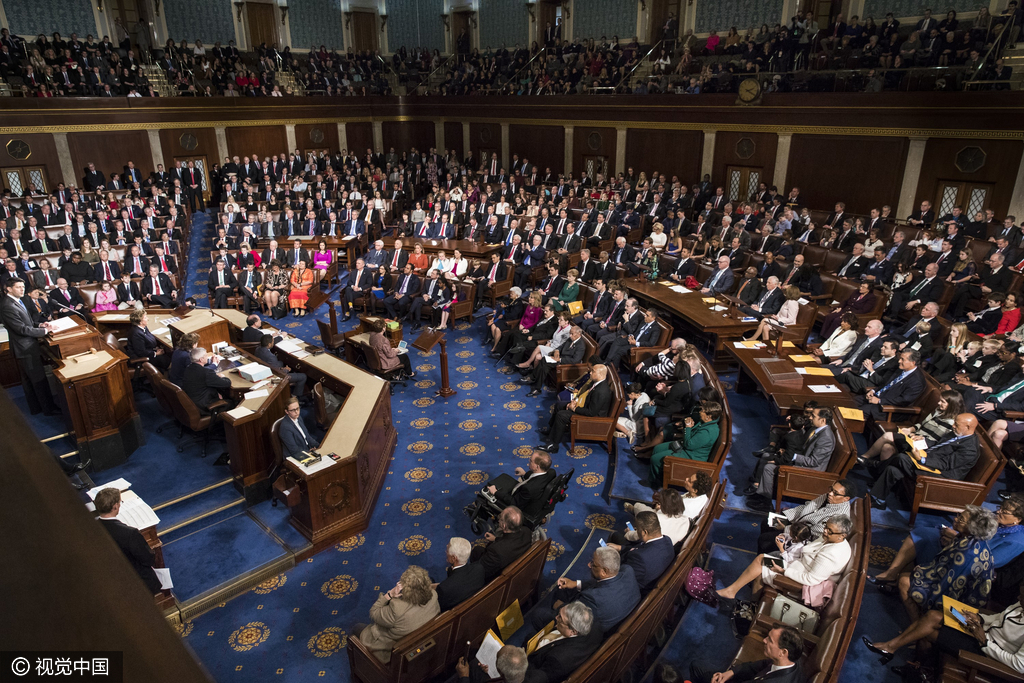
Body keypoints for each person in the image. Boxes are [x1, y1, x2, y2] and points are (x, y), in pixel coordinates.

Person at [871, 495, 1024, 600]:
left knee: (925, 543)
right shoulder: (996, 518)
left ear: (1018, 519)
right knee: (922, 534)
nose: (998, 511)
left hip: (968, 565)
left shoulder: (1017, 541)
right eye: (1000, 507)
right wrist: (954, 534)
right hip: (960, 544)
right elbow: (970, 524)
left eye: (1005, 512)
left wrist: (955, 539)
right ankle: (892, 574)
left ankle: (902, 583)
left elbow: (988, 561)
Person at [862, 581, 1024, 674]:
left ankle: (900, 655)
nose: (1018, 598)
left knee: (928, 629)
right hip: (979, 634)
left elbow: (1019, 665)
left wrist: (985, 642)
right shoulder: (1020, 604)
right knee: (934, 616)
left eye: (1022, 596)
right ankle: (898, 653)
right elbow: (998, 618)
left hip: (987, 653)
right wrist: (979, 618)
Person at [716, 515, 852, 600]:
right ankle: (737, 594)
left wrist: (783, 571)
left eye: (829, 531)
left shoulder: (832, 554)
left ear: (842, 536)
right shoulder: (830, 539)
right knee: (761, 559)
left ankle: (736, 594)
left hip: (799, 581)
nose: (824, 531)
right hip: (796, 566)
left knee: (761, 563)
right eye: (825, 527)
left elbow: (810, 580)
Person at [869, 413, 980, 510]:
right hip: (931, 461)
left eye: (956, 424)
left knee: (902, 458)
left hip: (941, 476)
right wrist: (922, 440)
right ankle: (880, 501)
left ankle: (877, 465)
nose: (953, 425)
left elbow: (945, 464)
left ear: (968, 427)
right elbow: (938, 445)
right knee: (893, 466)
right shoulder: (956, 433)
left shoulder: (970, 449)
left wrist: (921, 459)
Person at [532, 545, 641, 632]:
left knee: (538, 615)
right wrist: (576, 584)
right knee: (566, 589)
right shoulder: (628, 571)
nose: (589, 565)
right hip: (624, 615)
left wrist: (559, 607)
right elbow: (603, 583)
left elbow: (576, 617)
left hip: (596, 631)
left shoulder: (592, 599)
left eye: (593, 564)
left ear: (604, 571)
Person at [745, 406, 836, 510]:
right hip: (803, 460)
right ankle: (759, 492)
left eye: (813, 416)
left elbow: (814, 462)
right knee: (768, 458)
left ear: (823, 420)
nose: (810, 417)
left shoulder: (826, 438)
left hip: (810, 471)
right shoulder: (818, 429)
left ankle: (768, 502)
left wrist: (793, 456)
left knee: (769, 468)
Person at [354, 565, 440, 663]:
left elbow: (374, 612)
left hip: (392, 649)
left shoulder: (397, 608)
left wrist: (390, 594)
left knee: (356, 628)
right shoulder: (434, 595)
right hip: (422, 641)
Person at [858, 390, 962, 465]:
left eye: (943, 402)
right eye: (940, 400)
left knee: (888, 436)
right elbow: (922, 425)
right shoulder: (938, 410)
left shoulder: (953, 423)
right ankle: (879, 476)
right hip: (914, 437)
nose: (939, 403)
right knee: (887, 448)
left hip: (923, 446)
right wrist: (910, 429)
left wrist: (920, 437)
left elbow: (938, 442)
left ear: (951, 405)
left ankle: (864, 458)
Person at [1, 278, 57, 414]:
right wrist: (44, 331)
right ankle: (48, 409)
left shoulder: (17, 301)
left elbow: (28, 322)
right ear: (8, 289)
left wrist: (40, 325)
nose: (22, 289)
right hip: (25, 348)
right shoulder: (8, 305)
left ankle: (36, 408)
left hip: (26, 347)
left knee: (30, 381)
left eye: (23, 286)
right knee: (38, 380)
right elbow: (21, 329)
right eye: (18, 287)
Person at [756, 480, 855, 553]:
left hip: (805, 537)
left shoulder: (839, 516)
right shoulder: (828, 497)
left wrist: (786, 528)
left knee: (765, 540)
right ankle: (766, 554)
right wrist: (786, 516)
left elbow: (814, 532)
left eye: (835, 493)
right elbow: (807, 507)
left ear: (846, 498)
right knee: (767, 522)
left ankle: (765, 561)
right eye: (831, 489)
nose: (830, 493)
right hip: (799, 522)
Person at [94, 487, 162, 594]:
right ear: (115, 506)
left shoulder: (92, 528)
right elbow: (147, 559)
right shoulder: (130, 533)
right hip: (137, 583)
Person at [537, 363, 612, 454]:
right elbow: (585, 396)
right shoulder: (597, 383)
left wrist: (574, 409)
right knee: (559, 405)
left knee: (561, 415)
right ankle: (552, 430)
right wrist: (575, 401)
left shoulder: (601, 392)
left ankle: (553, 445)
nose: (590, 373)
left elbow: (591, 413)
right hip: (585, 407)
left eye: (593, 371)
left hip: (593, 419)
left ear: (600, 374)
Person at [690, 626, 805, 683]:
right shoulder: (791, 661)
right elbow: (758, 665)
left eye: (770, 640)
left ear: (783, 652)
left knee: (696, 667)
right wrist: (731, 672)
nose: (764, 640)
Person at [646, 401, 722, 485]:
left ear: (709, 416)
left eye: (702, 411)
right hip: (687, 448)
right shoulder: (705, 422)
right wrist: (689, 426)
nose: (700, 412)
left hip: (691, 456)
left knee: (655, 459)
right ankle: (660, 474)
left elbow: (689, 445)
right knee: (657, 448)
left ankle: (656, 483)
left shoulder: (708, 432)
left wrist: (688, 428)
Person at [854, 349, 926, 422]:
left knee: (858, 412)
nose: (899, 361)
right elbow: (885, 383)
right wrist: (873, 390)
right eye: (900, 358)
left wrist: (880, 401)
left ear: (912, 363)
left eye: (902, 359)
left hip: (887, 408)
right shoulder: (900, 369)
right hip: (875, 397)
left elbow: (904, 400)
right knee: (851, 401)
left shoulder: (917, 381)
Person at [486, 451, 557, 520]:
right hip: (536, 502)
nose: (528, 461)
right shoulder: (552, 472)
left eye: (531, 461)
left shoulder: (529, 489)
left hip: (521, 507)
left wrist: (495, 492)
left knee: (486, 494)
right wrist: (525, 474)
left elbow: (513, 503)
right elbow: (539, 479)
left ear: (537, 467)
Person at [470, 506, 533, 581]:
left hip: (497, 575)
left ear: (504, 526)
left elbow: (482, 570)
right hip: (514, 562)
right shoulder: (527, 532)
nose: (498, 519)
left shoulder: (496, 551)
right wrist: (495, 539)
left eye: (500, 518)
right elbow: (511, 540)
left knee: (477, 550)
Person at [434, 537, 485, 613]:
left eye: (447, 550)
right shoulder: (479, 569)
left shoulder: (444, 588)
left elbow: (439, 608)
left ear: (454, 558)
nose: (446, 552)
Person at [255, 334, 308, 401]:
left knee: (280, 362)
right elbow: (278, 374)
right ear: (269, 344)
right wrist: (286, 370)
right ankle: (296, 396)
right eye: (273, 341)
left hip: (265, 369)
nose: (273, 343)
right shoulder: (271, 357)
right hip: (274, 378)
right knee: (303, 376)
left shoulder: (258, 349)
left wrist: (281, 368)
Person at [181, 346, 232, 414]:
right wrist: (223, 377)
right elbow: (227, 383)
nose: (207, 357)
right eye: (206, 355)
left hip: (193, 402)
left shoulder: (188, 368)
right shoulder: (206, 373)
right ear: (201, 359)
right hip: (203, 407)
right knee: (232, 402)